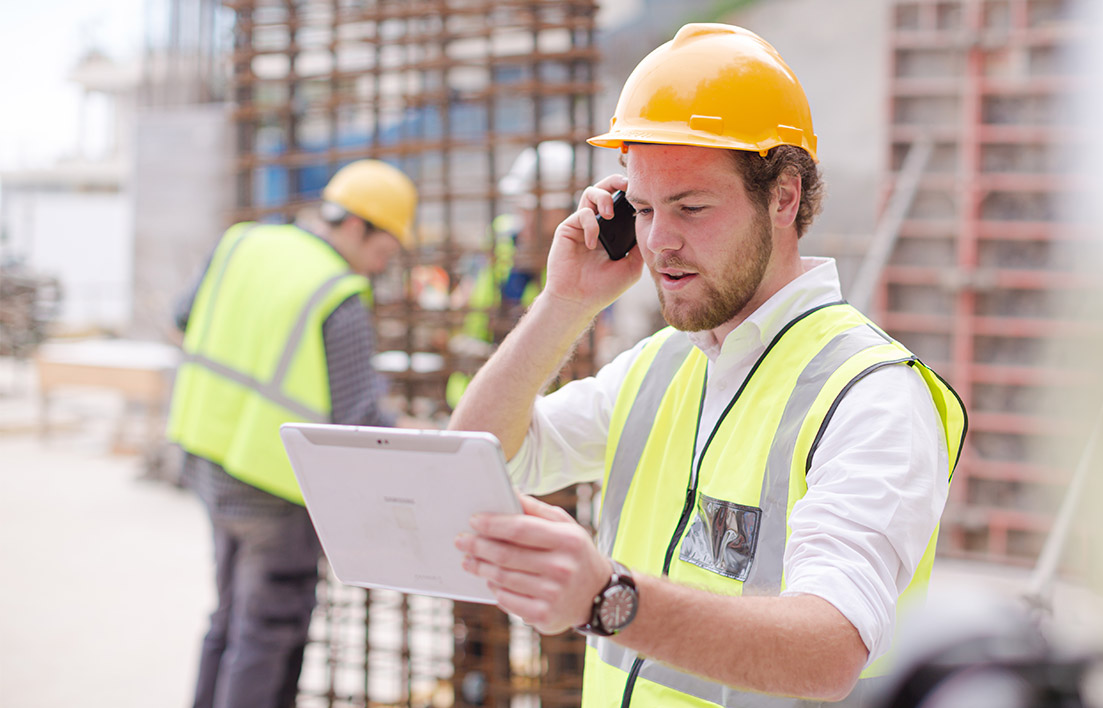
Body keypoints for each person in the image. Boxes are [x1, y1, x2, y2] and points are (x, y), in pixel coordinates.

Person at [450, 23, 966, 706]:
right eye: (641, 209)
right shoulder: (660, 368)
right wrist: (564, 305)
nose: (660, 241)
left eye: (691, 207)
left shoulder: (870, 396)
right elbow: (477, 458)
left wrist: (609, 598)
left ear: (783, 196)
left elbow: (831, 648)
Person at [167, 159, 420, 708]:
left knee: (229, 616)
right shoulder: (339, 294)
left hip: (206, 459)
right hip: (272, 487)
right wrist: (422, 432)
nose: (380, 268)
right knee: (268, 632)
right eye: (384, 252)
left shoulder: (241, 243)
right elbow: (361, 420)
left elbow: (182, 317)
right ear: (356, 226)